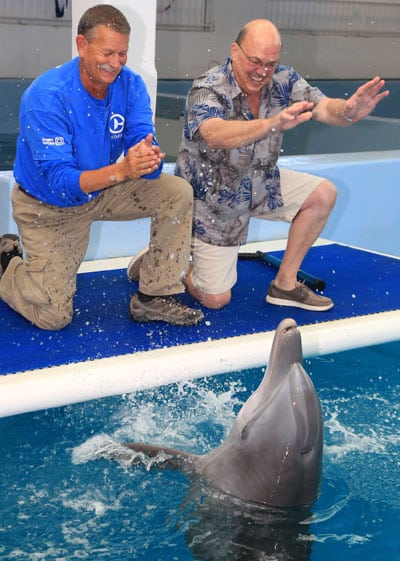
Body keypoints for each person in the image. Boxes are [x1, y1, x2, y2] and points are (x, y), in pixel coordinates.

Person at [0, 4, 204, 329]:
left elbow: (141, 145)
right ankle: (8, 262)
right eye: (107, 52)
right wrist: (124, 170)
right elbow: (61, 182)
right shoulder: (47, 96)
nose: (116, 63)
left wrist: (146, 158)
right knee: (52, 317)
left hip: (103, 189)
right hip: (48, 206)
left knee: (176, 192)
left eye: (122, 54)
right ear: (81, 45)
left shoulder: (131, 85)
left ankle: (153, 296)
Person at [173, 19, 389, 311]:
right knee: (216, 300)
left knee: (323, 194)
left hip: (262, 184)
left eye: (270, 64)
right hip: (211, 203)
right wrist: (272, 124)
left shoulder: (285, 80)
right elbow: (214, 134)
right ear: (234, 50)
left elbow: (324, 108)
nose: (262, 72)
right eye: (255, 61)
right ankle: (169, 264)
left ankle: (285, 284)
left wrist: (347, 110)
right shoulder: (207, 87)